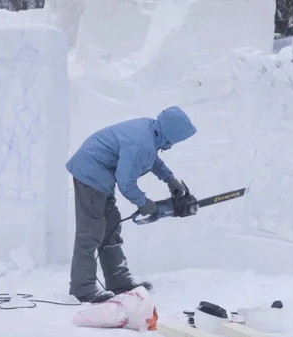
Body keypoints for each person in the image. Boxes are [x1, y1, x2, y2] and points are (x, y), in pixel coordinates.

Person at [65, 106, 197, 303]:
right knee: (91, 231)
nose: (173, 145)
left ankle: (118, 280)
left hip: (101, 175)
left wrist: (169, 178)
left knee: (110, 227)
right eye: (175, 140)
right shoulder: (142, 141)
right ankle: (82, 288)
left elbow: (151, 159)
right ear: (171, 134)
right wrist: (145, 204)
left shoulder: (150, 130)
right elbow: (126, 182)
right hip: (90, 172)